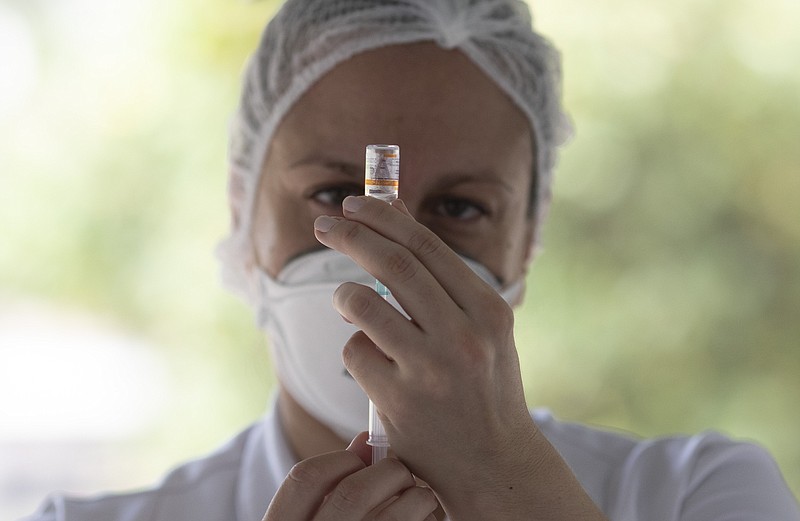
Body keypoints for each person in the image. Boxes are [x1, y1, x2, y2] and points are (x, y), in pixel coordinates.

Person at [23, 1, 799, 520]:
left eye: (461, 208)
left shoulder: (698, 495)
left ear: (527, 238)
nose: (387, 252)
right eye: (334, 192)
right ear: (241, 209)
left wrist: (508, 485)